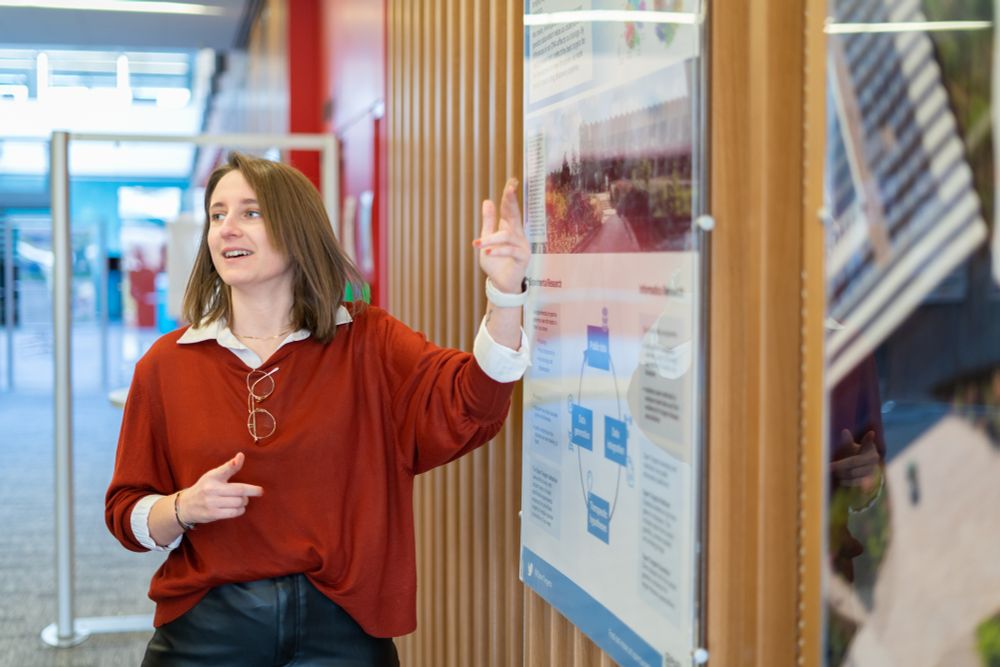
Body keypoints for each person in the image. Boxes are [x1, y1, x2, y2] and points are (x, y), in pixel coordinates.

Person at [105, 152, 531, 666]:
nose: (227, 230)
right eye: (217, 215)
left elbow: (473, 404)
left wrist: (505, 296)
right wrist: (182, 508)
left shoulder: (369, 341)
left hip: (343, 624)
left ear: (297, 229)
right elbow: (125, 513)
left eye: (251, 212)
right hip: (209, 622)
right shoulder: (166, 365)